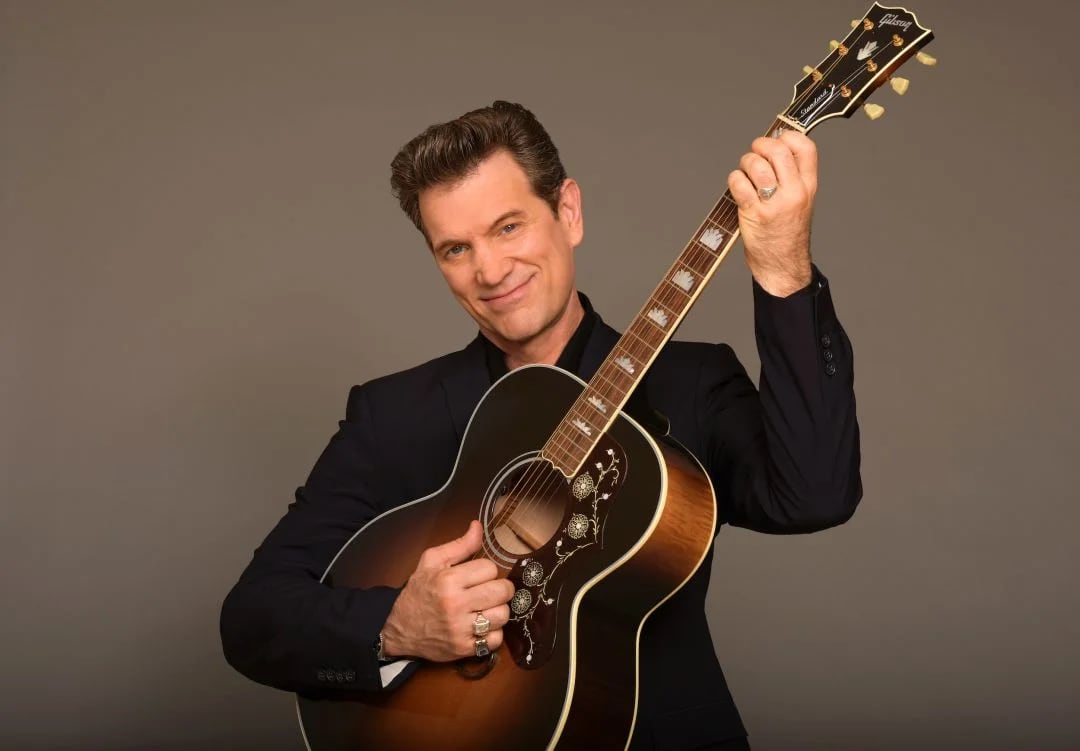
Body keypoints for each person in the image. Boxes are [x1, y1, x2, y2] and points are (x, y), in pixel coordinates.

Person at [220, 100, 861, 750]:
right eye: (455, 248)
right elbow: (253, 617)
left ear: (569, 212)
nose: (490, 270)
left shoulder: (690, 383)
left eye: (508, 227)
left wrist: (783, 270)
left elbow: (815, 495)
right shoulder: (393, 416)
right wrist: (395, 625)